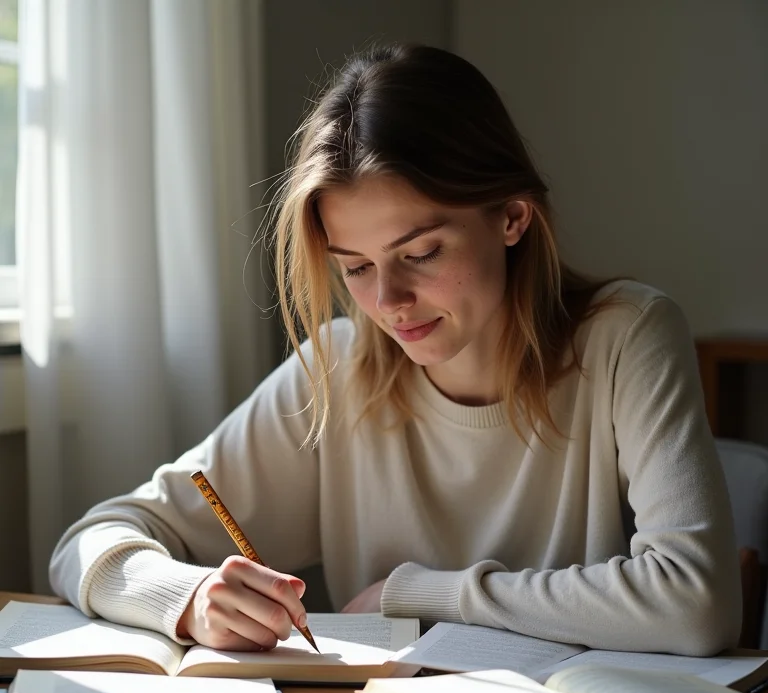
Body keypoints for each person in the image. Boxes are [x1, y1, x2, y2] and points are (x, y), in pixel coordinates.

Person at [50, 43, 741, 657]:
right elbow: (93, 540)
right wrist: (191, 599)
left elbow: (696, 603)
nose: (388, 301)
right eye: (355, 266)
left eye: (421, 253)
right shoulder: (340, 369)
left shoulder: (629, 336)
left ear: (511, 217)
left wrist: (420, 594)